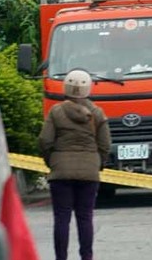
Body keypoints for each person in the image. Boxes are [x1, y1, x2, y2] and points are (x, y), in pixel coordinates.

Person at [38, 69, 110, 260]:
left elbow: (45, 141)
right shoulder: (97, 113)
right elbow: (105, 145)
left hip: (60, 173)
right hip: (89, 173)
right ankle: (86, 256)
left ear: (66, 88)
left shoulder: (56, 111)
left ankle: (60, 257)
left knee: (61, 218)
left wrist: (51, 162)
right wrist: (97, 164)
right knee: (85, 217)